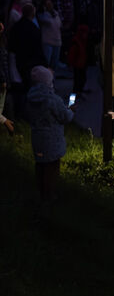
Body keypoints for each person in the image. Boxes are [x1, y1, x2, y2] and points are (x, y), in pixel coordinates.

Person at [25, 67, 74, 204]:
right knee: (52, 167)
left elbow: (27, 115)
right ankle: (50, 195)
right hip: (52, 140)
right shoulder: (53, 99)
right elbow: (65, 117)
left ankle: (41, 192)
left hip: (37, 138)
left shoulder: (30, 98)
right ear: (48, 82)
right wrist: (71, 109)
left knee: (40, 165)